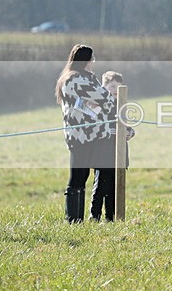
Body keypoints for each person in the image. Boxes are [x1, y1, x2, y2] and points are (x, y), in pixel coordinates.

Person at [55, 44, 115, 223]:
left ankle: (79, 218)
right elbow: (106, 99)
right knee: (78, 176)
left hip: (90, 134)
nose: (93, 62)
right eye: (92, 59)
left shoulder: (80, 78)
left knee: (85, 175)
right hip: (83, 135)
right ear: (87, 60)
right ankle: (73, 219)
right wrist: (106, 101)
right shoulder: (77, 80)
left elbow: (104, 101)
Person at [89, 71, 134, 222]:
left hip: (119, 151)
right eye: (113, 86)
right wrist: (115, 131)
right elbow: (95, 124)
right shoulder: (98, 104)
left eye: (119, 87)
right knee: (101, 185)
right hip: (103, 152)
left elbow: (126, 126)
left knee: (115, 187)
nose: (116, 90)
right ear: (104, 87)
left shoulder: (122, 105)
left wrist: (130, 132)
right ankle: (94, 216)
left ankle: (111, 217)